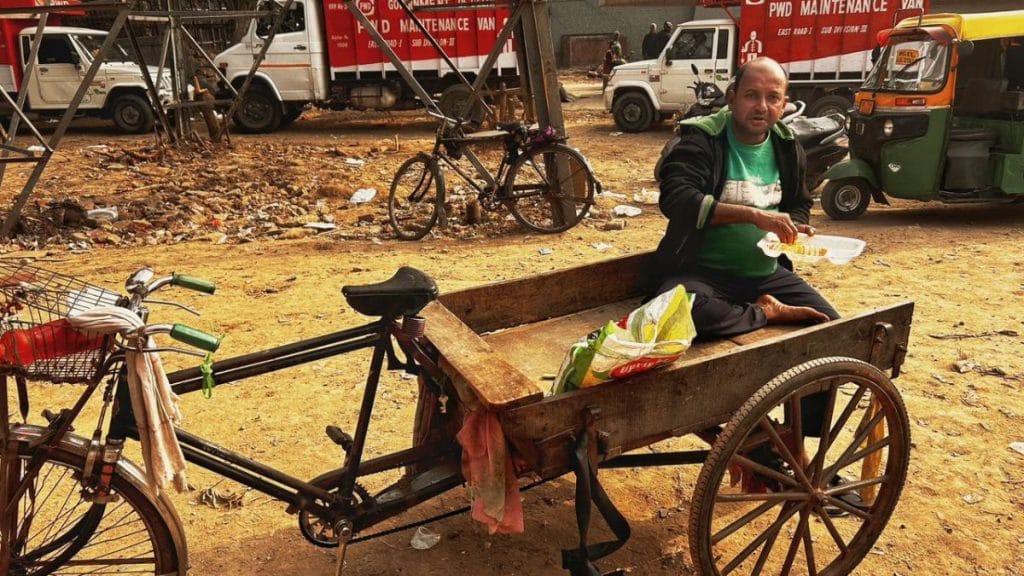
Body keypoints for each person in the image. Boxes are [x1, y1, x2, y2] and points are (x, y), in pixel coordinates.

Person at [652, 56, 838, 340]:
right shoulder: (702, 141)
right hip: (701, 273)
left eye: (773, 97)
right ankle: (766, 312)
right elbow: (676, 199)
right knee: (683, 314)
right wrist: (753, 215)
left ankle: (757, 309)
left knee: (832, 324)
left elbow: (799, 203)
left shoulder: (788, 147)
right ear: (732, 98)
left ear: (784, 103)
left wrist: (793, 227)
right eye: (752, 95)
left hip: (766, 275)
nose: (762, 106)